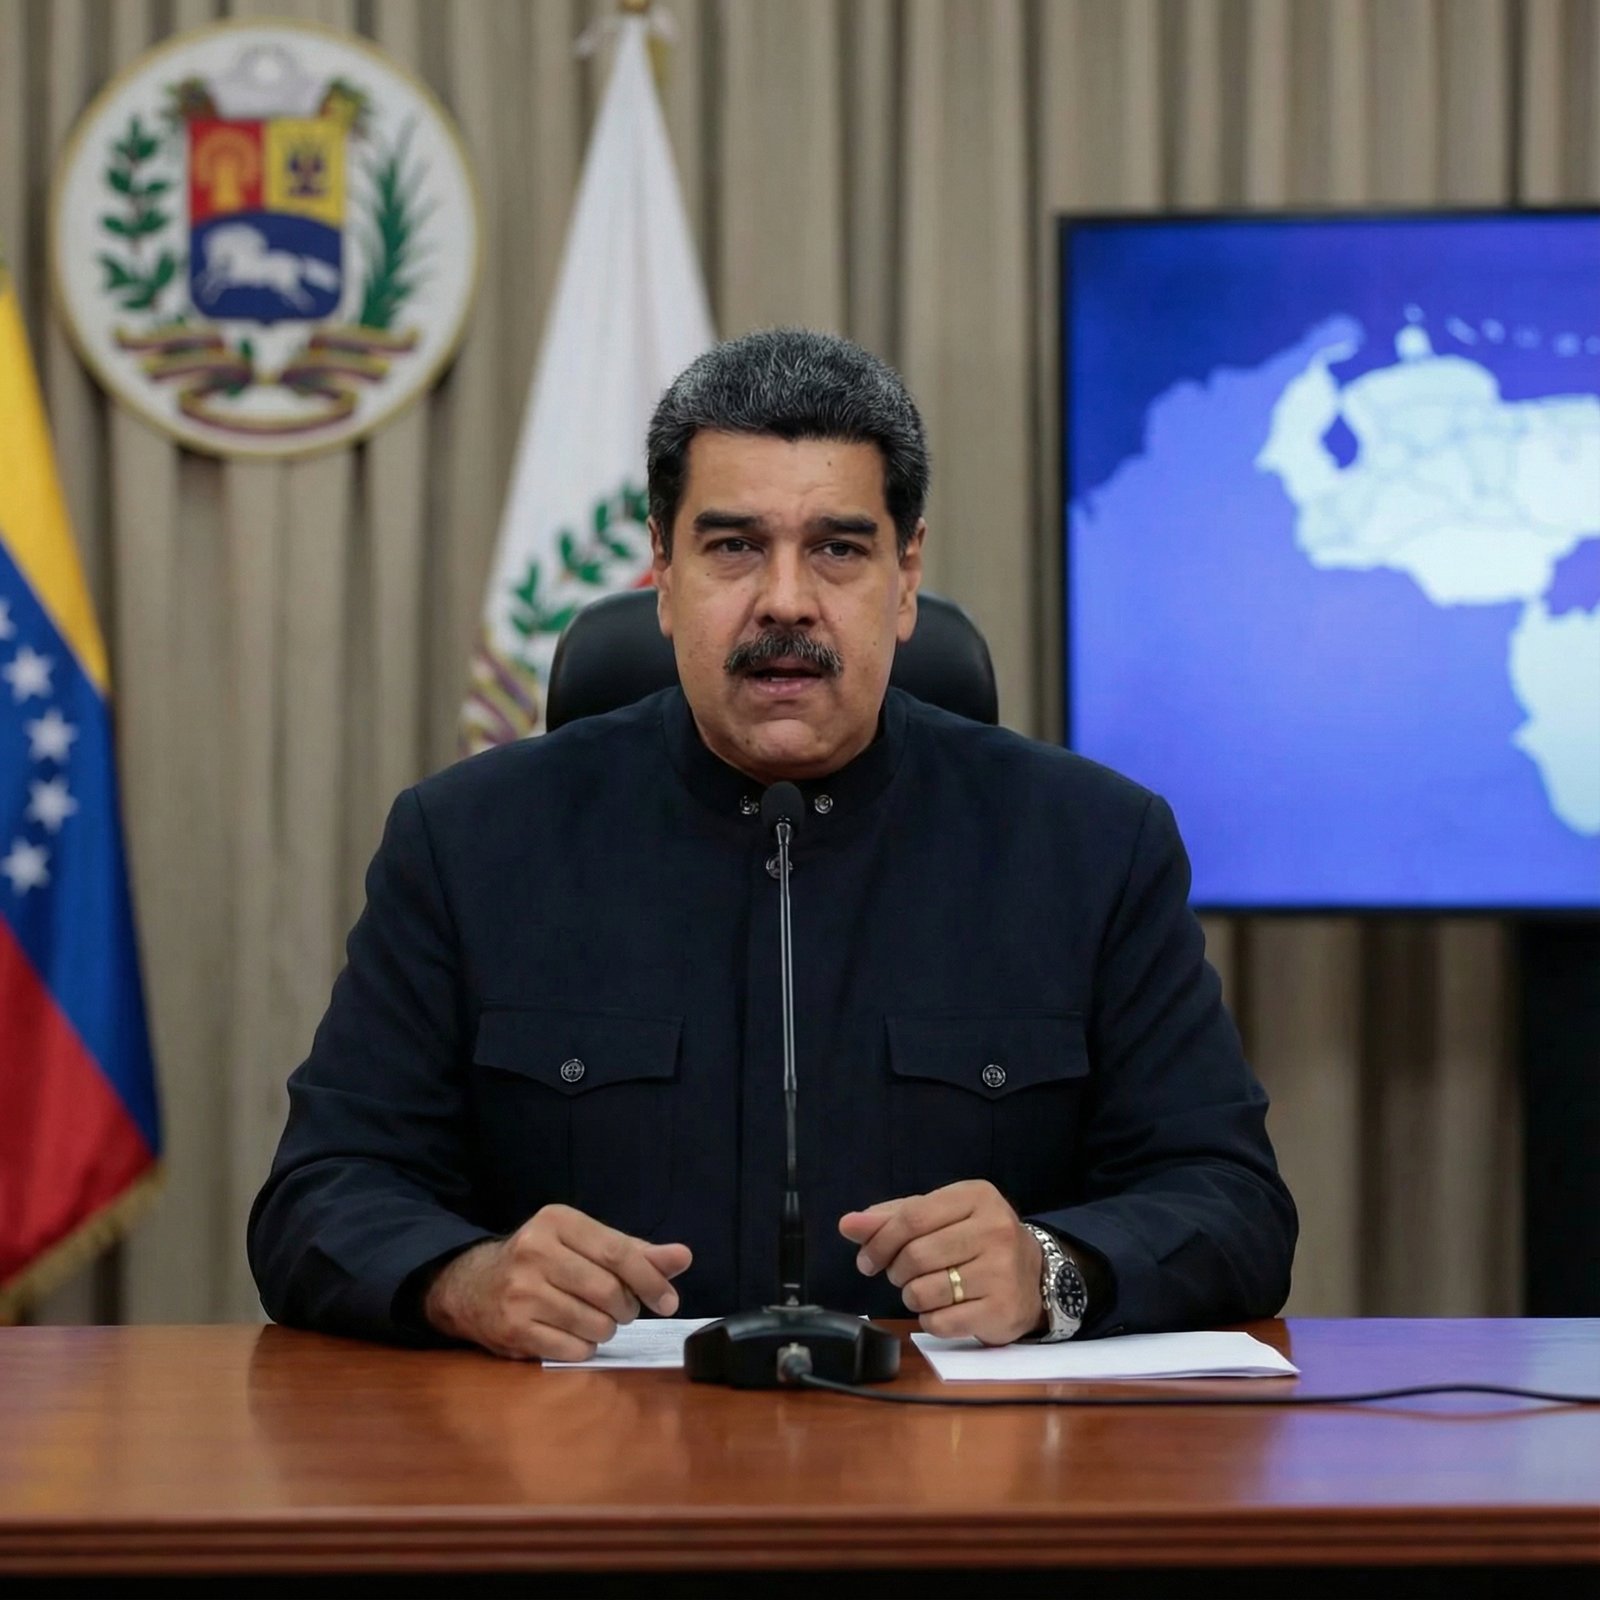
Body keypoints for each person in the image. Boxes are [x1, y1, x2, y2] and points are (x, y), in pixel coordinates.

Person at [248, 329, 1297, 1361]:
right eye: (734, 546)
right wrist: (463, 1280)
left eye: (838, 548)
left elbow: (1231, 1202)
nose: (786, 600)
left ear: (906, 574)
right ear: (661, 570)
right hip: (585, 1481)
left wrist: (1053, 1265)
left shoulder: (1092, 846)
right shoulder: (469, 842)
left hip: (958, 1486)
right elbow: (320, 1196)